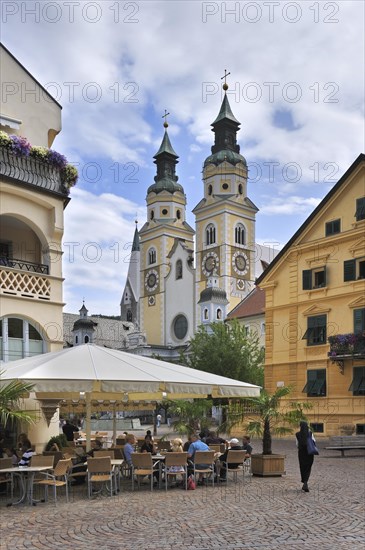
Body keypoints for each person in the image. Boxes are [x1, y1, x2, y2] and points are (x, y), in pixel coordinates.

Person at [296, 421, 316, 492]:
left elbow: (297, 444)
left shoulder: (297, 434)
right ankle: (305, 482)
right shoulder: (310, 433)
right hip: (309, 453)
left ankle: (304, 481)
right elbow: (314, 441)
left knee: (302, 467)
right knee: (308, 467)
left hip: (301, 453)